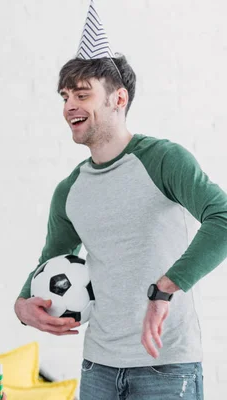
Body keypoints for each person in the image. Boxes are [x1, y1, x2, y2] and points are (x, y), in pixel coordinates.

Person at [14, 2, 227, 399]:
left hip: (167, 366)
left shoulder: (164, 160)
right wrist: (22, 305)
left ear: (118, 98)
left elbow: (223, 217)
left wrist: (167, 286)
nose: (69, 106)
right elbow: (52, 259)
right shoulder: (69, 190)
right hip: (98, 367)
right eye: (64, 96)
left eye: (82, 94)